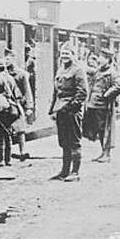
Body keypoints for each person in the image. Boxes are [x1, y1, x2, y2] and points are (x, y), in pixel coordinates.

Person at [48, 44, 88, 181]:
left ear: (73, 55)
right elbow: (56, 92)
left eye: (67, 54)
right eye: (63, 54)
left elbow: (82, 92)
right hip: (61, 110)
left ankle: (75, 173)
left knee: (74, 142)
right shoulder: (60, 70)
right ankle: (64, 171)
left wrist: (71, 107)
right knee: (64, 142)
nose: (64, 56)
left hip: (72, 111)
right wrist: (52, 110)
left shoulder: (78, 70)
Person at [84, 49, 120, 162]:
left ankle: (107, 154)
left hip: (104, 106)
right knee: (99, 130)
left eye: (102, 58)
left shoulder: (112, 72)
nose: (100, 60)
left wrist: (106, 95)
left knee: (105, 130)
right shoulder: (98, 71)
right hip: (94, 104)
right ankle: (103, 152)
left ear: (108, 60)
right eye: (99, 57)